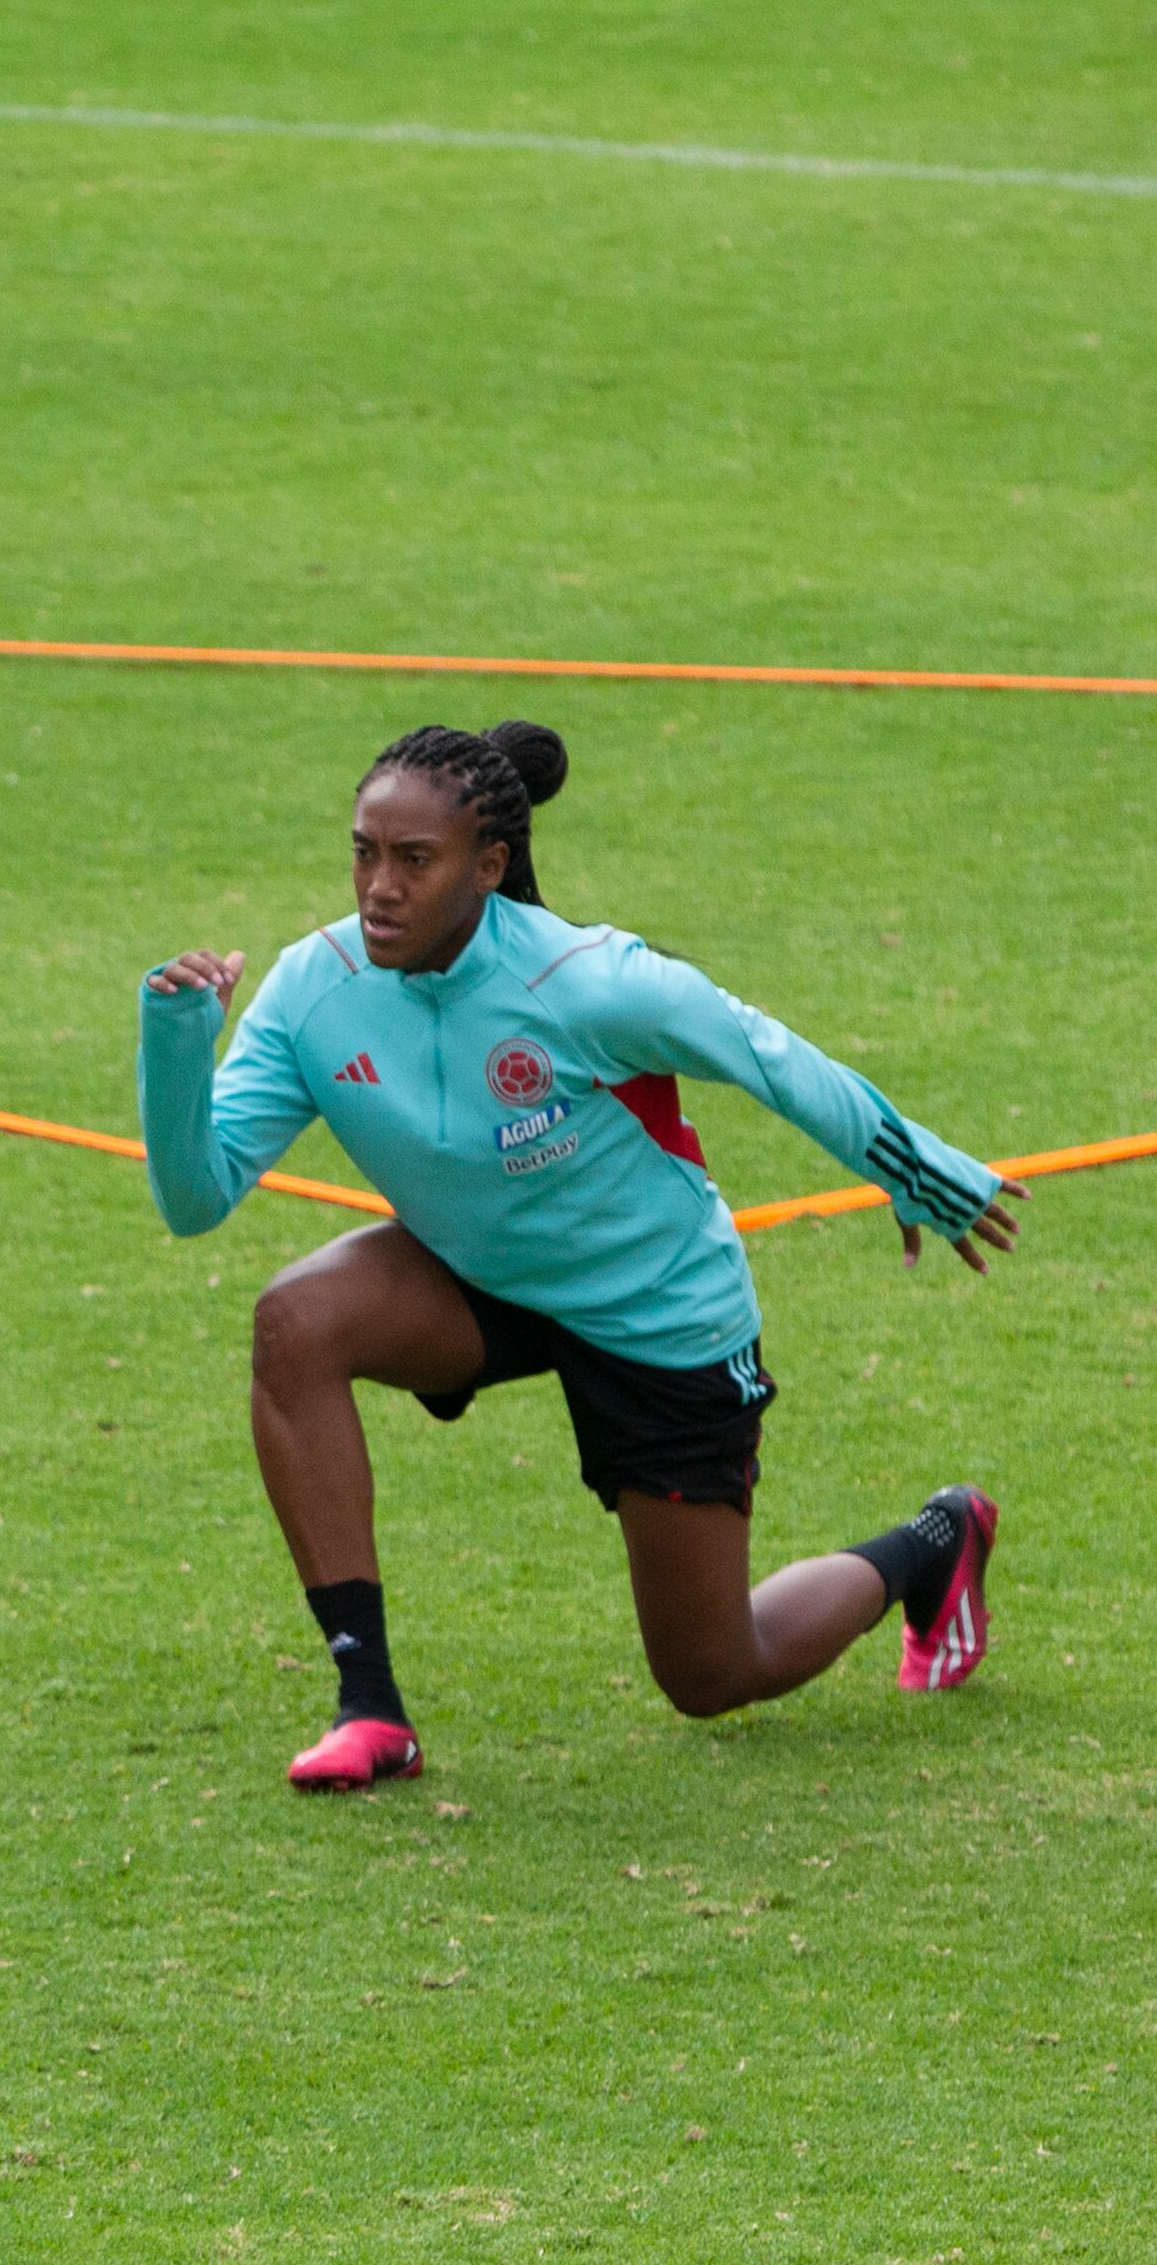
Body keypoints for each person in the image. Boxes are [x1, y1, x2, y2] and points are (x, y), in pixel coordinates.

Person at [141, 721, 1021, 1793]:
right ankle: (367, 1706)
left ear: (487, 867)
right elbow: (195, 1197)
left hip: (648, 1307)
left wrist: (916, 1170)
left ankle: (928, 1545)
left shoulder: (590, 981)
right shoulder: (311, 990)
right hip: (474, 1278)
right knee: (294, 1322)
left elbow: (770, 1060)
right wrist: (178, 1043)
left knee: (708, 1670)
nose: (377, 887)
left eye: (411, 861)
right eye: (363, 853)